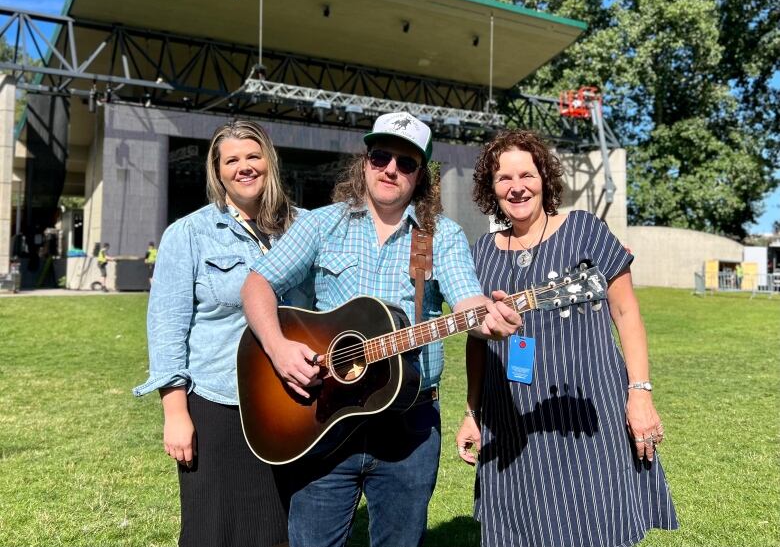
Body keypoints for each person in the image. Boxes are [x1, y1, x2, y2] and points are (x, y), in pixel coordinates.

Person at [241, 112, 522, 547]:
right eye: (380, 156)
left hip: (409, 425)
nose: (391, 169)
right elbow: (258, 283)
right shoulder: (321, 223)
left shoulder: (441, 236)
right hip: (323, 414)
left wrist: (489, 319)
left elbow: (468, 301)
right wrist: (278, 348)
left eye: (406, 163)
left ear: (421, 176)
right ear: (365, 162)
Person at [456, 129, 678, 547]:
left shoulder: (584, 229)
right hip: (511, 421)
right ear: (491, 187)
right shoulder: (480, 252)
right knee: (517, 532)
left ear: (544, 177)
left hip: (587, 415)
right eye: (504, 178)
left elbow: (626, 312)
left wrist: (641, 393)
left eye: (527, 174)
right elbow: (477, 340)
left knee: (594, 525)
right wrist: (472, 412)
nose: (517, 187)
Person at [133, 121, 310, 547]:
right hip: (218, 400)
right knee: (213, 527)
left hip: (294, 402)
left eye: (253, 156)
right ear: (218, 171)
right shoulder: (189, 234)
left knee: (278, 526)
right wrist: (176, 413)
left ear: (270, 160)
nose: (244, 167)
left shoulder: (305, 227)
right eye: (232, 160)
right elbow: (167, 328)